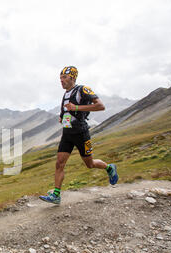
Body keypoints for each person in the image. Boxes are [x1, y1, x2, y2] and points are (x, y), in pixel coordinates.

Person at [39, 66, 118, 205]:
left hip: (81, 133)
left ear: (73, 78)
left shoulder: (83, 89)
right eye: (60, 78)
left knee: (90, 164)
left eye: (64, 77)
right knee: (59, 164)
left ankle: (109, 168)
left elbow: (100, 106)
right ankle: (56, 195)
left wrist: (76, 108)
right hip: (67, 133)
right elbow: (66, 110)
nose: (61, 81)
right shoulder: (65, 94)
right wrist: (62, 116)